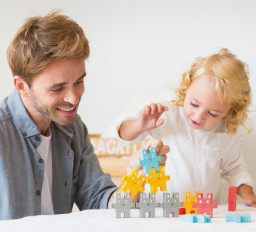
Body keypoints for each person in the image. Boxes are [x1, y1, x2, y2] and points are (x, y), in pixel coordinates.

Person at [0, 11, 169, 220]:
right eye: (57, 88)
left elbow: (100, 201)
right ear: (21, 86)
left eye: (78, 82)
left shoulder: (73, 129)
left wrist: (136, 177)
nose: (73, 98)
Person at [118, 48, 256, 206]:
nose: (198, 116)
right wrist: (139, 125)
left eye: (212, 113)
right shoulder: (166, 115)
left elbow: (236, 169)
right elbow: (124, 137)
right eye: (194, 104)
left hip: (201, 212)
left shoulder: (225, 132)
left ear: (230, 112)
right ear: (186, 88)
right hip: (156, 208)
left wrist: (248, 195)